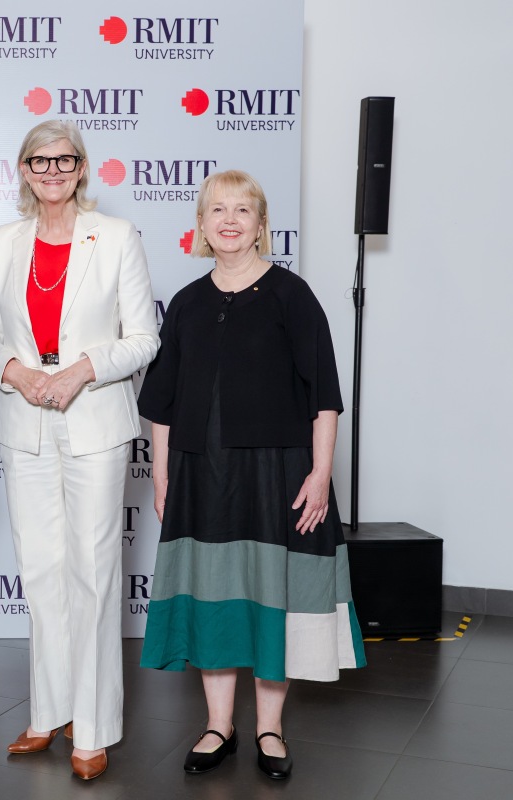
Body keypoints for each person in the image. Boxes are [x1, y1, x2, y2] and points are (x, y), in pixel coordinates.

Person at [137, 170, 366, 781]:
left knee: (272, 598)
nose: (230, 220)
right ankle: (219, 725)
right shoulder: (185, 302)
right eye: (218, 210)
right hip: (201, 474)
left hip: (278, 474)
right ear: (202, 225)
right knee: (214, 598)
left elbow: (325, 396)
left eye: (243, 210)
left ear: (262, 225)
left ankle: (269, 727)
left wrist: (321, 474)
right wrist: (160, 475)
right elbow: (160, 403)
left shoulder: (292, 295)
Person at [0, 120, 159, 781]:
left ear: (81, 168)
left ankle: (95, 725)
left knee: (95, 571)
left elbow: (143, 339)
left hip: (95, 418)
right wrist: (21, 376)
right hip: (25, 420)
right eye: (38, 160)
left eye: (64, 159)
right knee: (41, 570)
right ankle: (48, 713)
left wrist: (80, 370)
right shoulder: (4, 241)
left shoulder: (117, 237)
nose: (51, 170)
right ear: (23, 169)